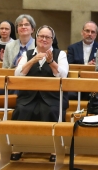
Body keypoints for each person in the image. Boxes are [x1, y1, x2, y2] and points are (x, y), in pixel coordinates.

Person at [10, 26, 68, 160]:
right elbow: (18, 74)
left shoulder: (60, 54)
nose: (44, 39)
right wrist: (33, 60)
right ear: (36, 38)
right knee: (21, 109)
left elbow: (63, 75)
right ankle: (18, 146)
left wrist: (51, 62)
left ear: (52, 40)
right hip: (29, 97)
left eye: (47, 37)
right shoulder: (28, 54)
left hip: (52, 97)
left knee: (51, 110)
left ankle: (54, 149)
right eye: (41, 36)